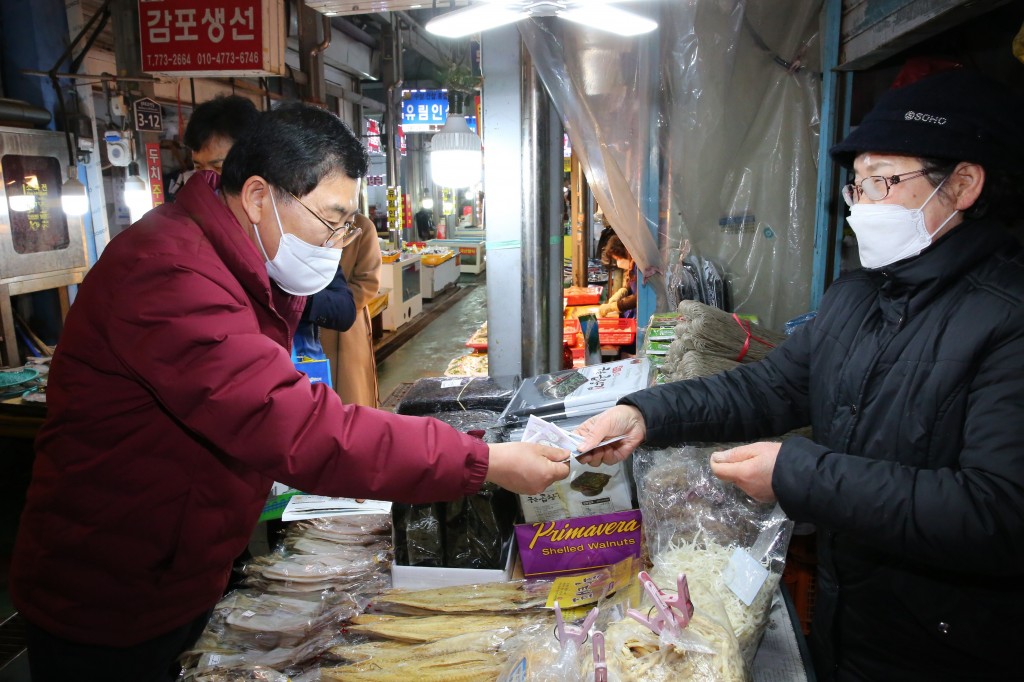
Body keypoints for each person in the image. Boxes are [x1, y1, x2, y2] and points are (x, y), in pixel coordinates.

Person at [9, 102, 570, 680]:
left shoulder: (235, 259)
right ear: (257, 197)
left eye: (348, 223)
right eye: (331, 220)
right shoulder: (169, 274)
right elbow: (300, 426)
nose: (338, 239)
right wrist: (485, 460)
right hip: (111, 593)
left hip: (178, 564)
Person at [575, 68, 1024, 681]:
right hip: (851, 618)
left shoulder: (1008, 317)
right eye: (856, 188)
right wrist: (646, 413)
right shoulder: (860, 294)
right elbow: (771, 387)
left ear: (964, 184)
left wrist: (798, 475)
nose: (862, 208)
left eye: (882, 182)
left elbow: (997, 511)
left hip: (952, 648)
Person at [319, 214, 383, 407]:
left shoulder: (361, 226)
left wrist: (327, 306)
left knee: (350, 393)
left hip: (345, 324)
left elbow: (368, 282)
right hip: (302, 324)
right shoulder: (303, 218)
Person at [598, 234, 637, 319]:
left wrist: (615, 306)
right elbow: (634, 283)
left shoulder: (640, 266)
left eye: (618, 259)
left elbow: (640, 297)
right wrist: (624, 290)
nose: (618, 263)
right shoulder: (633, 266)